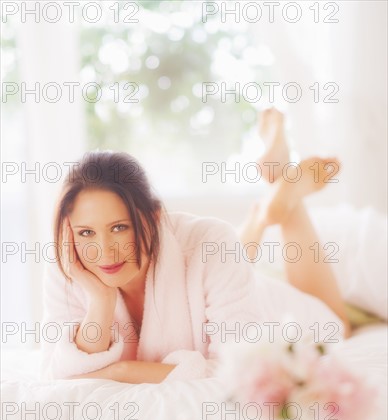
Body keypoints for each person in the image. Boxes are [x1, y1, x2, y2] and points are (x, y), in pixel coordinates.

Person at [40, 110, 350, 383]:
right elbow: (58, 371)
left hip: (269, 309)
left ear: (155, 216)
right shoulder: (70, 265)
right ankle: (272, 197)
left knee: (339, 323)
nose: (104, 252)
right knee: (218, 252)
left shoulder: (210, 241)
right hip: (225, 268)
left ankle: (284, 195)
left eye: (120, 228)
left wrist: (123, 371)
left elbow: (240, 368)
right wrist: (101, 299)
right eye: (86, 233)